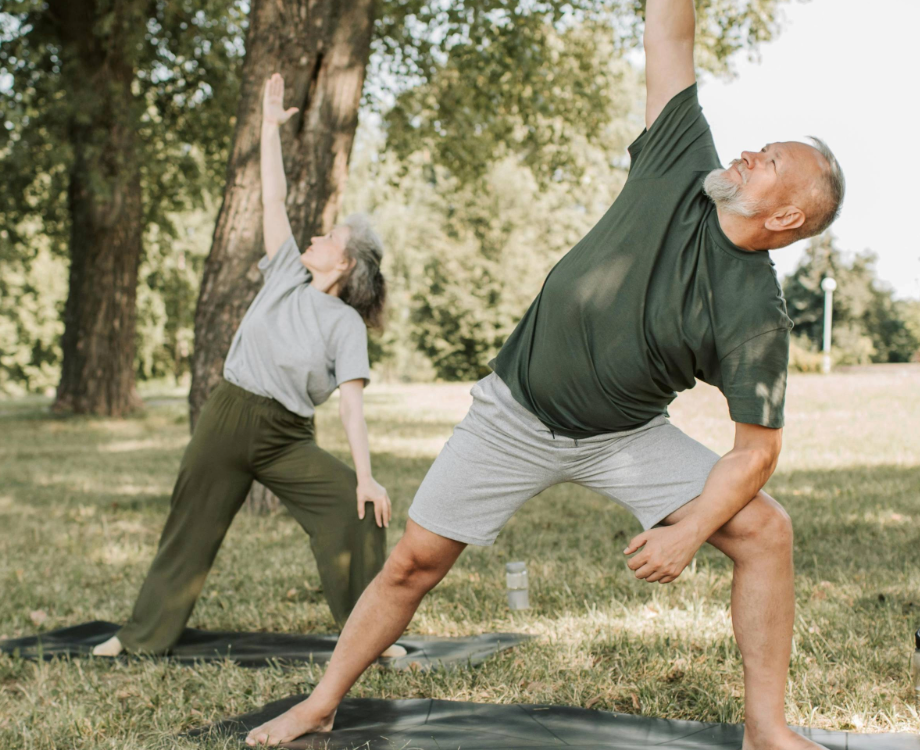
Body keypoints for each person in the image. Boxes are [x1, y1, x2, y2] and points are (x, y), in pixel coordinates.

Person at [245, 0, 845, 743]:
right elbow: (669, 29)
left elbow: (755, 453)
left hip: (624, 437)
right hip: (515, 412)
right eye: (762, 146)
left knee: (766, 532)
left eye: (772, 162)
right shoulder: (681, 158)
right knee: (413, 564)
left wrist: (690, 531)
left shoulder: (755, 314)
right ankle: (320, 703)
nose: (751, 152)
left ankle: (765, 730)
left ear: (785, 218)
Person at [93, 73, 394, 658]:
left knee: (355, 508)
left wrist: (365, 476)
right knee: (189, 526)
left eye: (329, 237)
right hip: (228, 418)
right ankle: (140, 637)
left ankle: (371, 640)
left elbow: (352, 410)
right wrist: (268, 128)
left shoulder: (346, 326)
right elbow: (273, 198)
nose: (315, 236)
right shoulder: (285, 272)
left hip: (286, 438)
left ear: (345, 264)